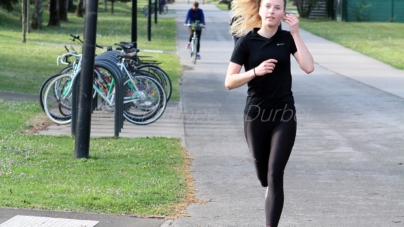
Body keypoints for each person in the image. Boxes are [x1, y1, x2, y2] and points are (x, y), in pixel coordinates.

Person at [225, 0, 314, 226]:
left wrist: (295, 33)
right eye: (268, 6)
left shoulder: (286, 39)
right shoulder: (246, 42)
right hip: (256, 116)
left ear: (283, 12)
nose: (272, 11)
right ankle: (268, 190)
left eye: (277, 7)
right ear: (260, 10)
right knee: (264, 176)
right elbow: (229, 82)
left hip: (284, 115)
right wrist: (255, 71)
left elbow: (308, 67)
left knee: (275, 174)